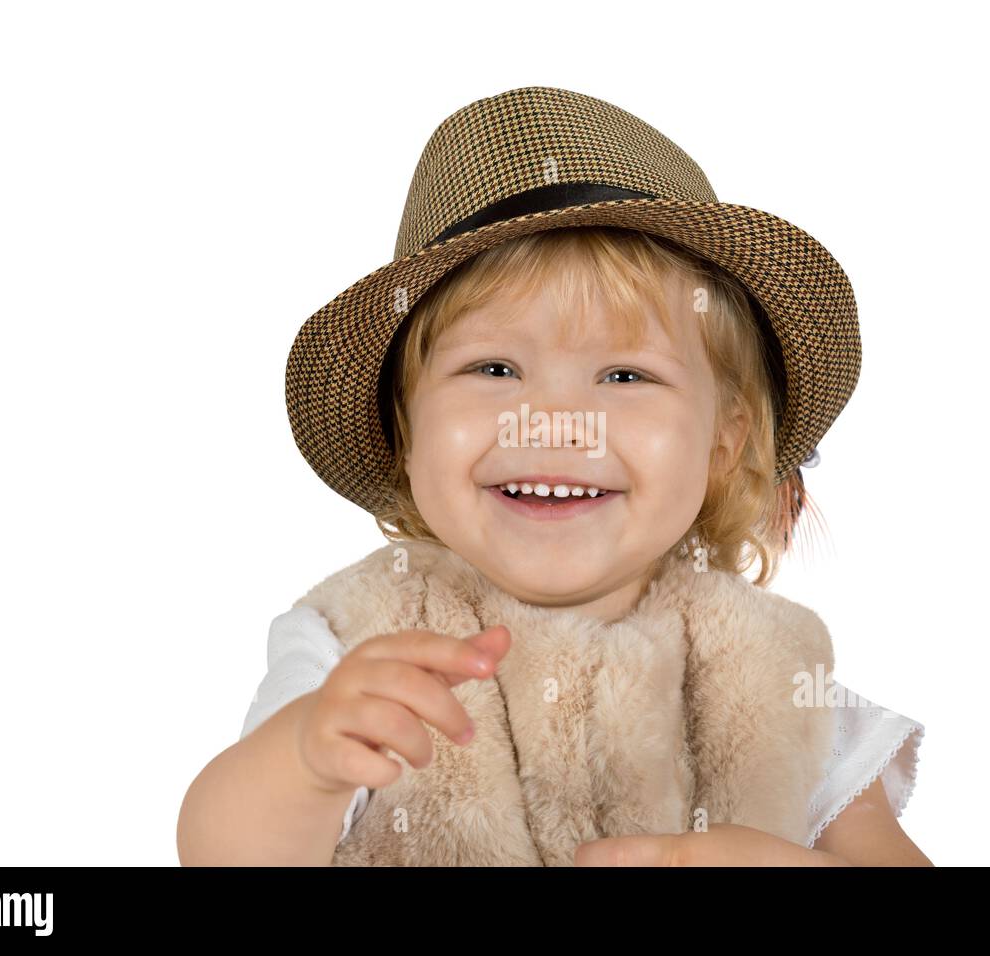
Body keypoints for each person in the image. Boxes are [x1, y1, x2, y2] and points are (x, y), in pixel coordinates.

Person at [178, 86, 930, 866]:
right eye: (494, 368)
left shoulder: (778, 681)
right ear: (406, 429)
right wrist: (304, 760)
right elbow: (223, 853)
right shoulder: (358, 650)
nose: (556, 420)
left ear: (722, 440)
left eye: (626, 377)